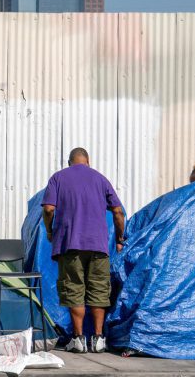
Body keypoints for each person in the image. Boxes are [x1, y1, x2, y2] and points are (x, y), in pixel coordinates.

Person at [42, 148, 125, 354]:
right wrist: (119, 238)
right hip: (98, 246)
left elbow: (48, 209)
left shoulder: (58, 178)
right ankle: (98, 339)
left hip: (70, 245)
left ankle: (78, 339)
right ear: (88, 161)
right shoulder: (100, 179)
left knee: (74, 288)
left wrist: (50, 231)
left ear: (69, 162)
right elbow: (117, 211)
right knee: (99, 289)